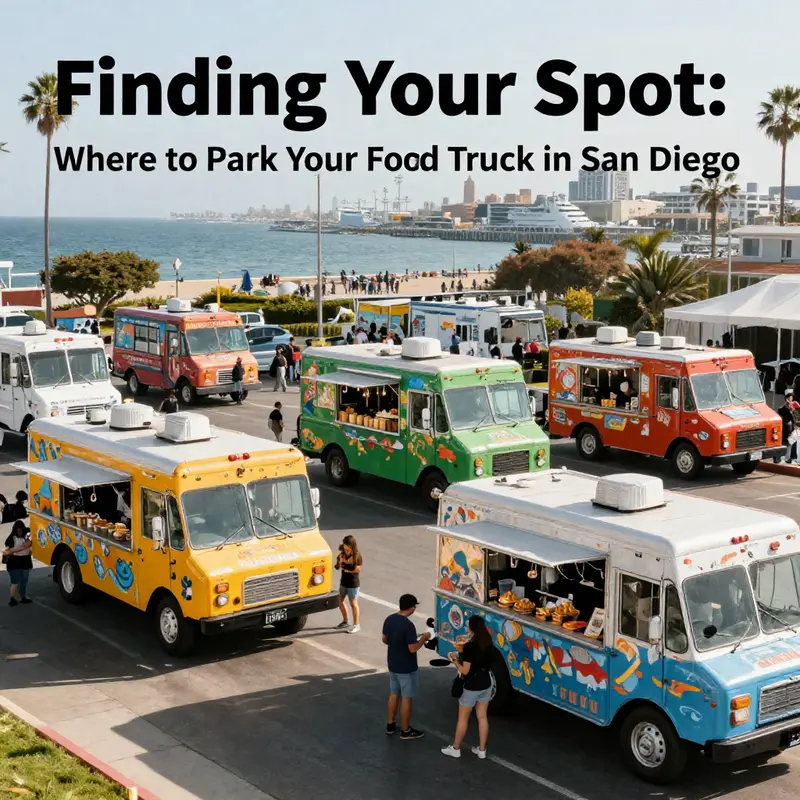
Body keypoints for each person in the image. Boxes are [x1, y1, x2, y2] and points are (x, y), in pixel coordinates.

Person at [441, 615, 495, 759]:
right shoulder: (488, 642)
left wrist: (455, 661)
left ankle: (455, 748)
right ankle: (482, 750)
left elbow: (465, 670)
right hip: (486, 683)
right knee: (482, 717)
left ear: (471, 629)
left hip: (472, 685)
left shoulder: (470, 647)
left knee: (463, 718)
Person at [382, 594, 430, 740]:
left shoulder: (390, 619)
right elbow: (412, 649)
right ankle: (405, 730)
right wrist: (423, 638)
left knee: (394, 693)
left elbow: (385, 639)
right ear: (411, 608)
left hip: (393, 663)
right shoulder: (408, 626)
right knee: (407, 697)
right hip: (406, 667)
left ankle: (390, 724)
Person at [334, 534, 363, 633]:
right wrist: (339, 564)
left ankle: (356, 625)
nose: (345, 547)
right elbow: (338, 564)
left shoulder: (356, 555)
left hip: (353, 583)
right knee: (340, 601)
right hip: (344, 582)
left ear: (351, 545)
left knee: (353, 603)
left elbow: (357, 569)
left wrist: (346, 567)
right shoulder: (342, 553)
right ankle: (346, 621)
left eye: (347, 546)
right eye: (344, 545)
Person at [4, 520, 33, 606]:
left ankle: (23, 597)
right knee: (15, 582)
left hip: (26, 561)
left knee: (24, 580)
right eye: (18, 531)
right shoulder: (11, 539)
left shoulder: (26, 537)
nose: (19, 532)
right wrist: (24, 547)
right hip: (14, 562)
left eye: (21, 530)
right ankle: (12, 598)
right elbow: (7, 552)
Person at [776, 388, 799, 463]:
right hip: (785, 427)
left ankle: (791, 457)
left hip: (793, 427)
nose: (790, 398)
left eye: (791, 397)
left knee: (792, 442)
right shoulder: (782, 408)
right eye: (788, 397)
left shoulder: (795, 405)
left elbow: (798, 416)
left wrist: (793, 410)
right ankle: (778, 457)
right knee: (783, 443)